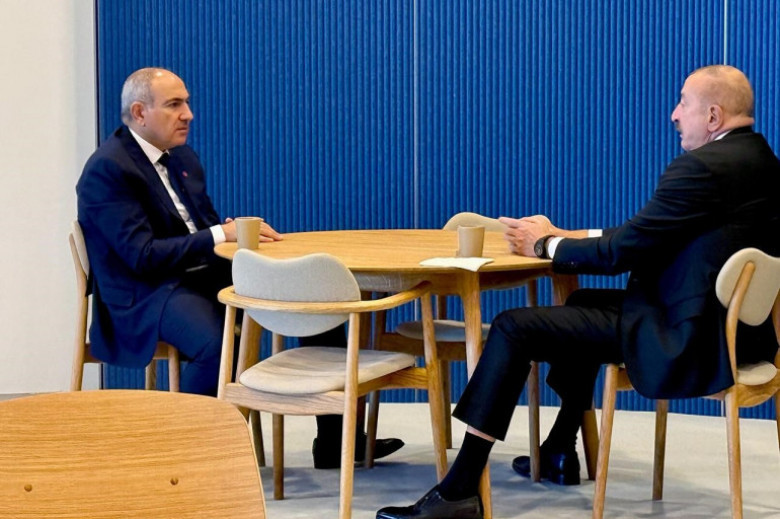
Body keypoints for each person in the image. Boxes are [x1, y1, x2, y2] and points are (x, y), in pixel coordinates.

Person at [376, 65, 780, 519]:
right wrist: (565, 237)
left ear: (713, 116)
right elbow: (647, 234)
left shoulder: (700, 168)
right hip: (735, 332)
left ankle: (459, 490)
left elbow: (623, 252)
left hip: (687, 339)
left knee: (512, 327)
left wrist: (545, 246)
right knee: (581, 303)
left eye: (683, 103)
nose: (673, 114)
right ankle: (559, 447)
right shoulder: (762, 161)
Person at [76, 67, 402, 467]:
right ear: (140, 112)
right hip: (146, 291)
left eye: (187, 103)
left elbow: (204, 227)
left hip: (199, 274)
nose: (188, 114)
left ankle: (336, 442)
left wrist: (234, 237)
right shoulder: (108, 169)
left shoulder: (182, 157)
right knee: (215, 343)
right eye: (174, 105)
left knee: (317, 294)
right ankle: (192, 458)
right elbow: (142, 256)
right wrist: (219, 234)